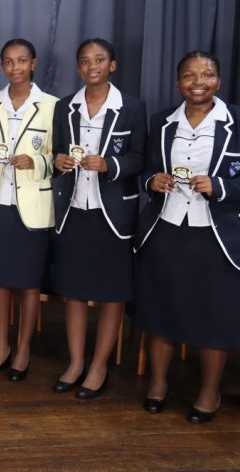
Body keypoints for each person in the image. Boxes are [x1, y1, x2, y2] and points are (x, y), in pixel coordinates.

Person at [134, 51, 240, 423]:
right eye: (189, 76)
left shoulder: (236, 121)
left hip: (217, 237)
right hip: (166, 230)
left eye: (207, 74)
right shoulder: (162, 121)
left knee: (214, 317)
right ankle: (158, 384)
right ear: (178, 82)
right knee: (162, 309)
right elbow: (146, 170)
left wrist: (220, 186)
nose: (198, 82)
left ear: (219, 81)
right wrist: (153, 181)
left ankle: (209, 393)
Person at [50, 39, 146, 399]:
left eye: (100, 60)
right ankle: (76, 362)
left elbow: (140, 158)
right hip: (74, 210)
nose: (92, 66)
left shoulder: (132, 107)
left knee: (112, 293)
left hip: (114, 214)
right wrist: (59, 161)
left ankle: (99, 365)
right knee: (74, 291)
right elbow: (57, 151)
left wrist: (110, 165)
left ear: (112, 65)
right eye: (85, 61)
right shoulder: (65, 107)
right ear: (78, 68)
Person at [0, 38, 58, 382]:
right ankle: (1, 346)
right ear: (2, 66)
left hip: (33, 206)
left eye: (22, 61)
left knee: (28, 283)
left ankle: (23, 349)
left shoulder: (52, 105)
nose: (15, 67)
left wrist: (36, 161)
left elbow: (59, 156)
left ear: (33, 64)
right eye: (9, 62)